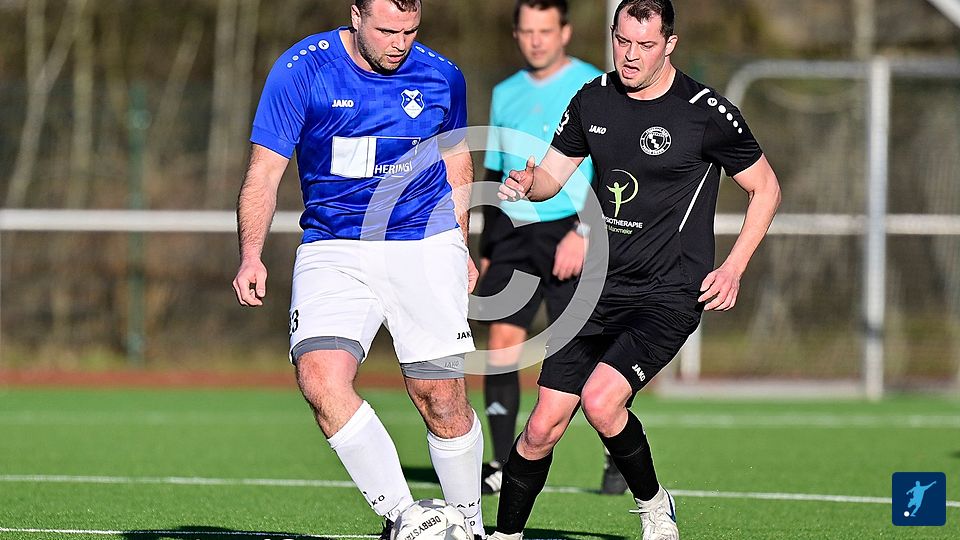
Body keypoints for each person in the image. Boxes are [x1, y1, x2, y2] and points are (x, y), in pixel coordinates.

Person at [490, 1, 782, 539]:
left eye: (645, 45)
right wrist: (527, 184)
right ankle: (504, 535)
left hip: (667, 294)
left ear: (669, 44)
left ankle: (654, 507)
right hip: (596, 289)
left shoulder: (704, 112)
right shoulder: (593, 98)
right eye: (622, 41)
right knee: (541, 428)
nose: (630, 55)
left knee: (601, 402)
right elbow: (552, 177)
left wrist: (733, 267)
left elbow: (766, 189)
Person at [231, 1, 485, 538]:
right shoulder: (302, 70)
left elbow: (456, 158)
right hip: (334, 246)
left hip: (422, 241)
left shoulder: (442, 75)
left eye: (410, 31)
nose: (400, 43)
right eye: (387, 29)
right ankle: (407, 519)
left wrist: (460, 243)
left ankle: (468, 524)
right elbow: (264, 173)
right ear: (355, 14)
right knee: (320, 380)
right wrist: (251, 253)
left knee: (439, 398)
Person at [476, 0, 627, 497]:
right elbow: (495, 173)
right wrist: (488, 248)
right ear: (516, 35)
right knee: (502, 346)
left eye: (545, 30)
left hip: (573, 230)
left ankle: (616, 451)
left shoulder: (596, 85)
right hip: (514, 235)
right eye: (527, 31)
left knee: (582, 353)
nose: (536, 40)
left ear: (564, 32)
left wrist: (584, 232)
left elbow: (613, 169)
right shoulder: (504, 93)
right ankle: (501, 462)